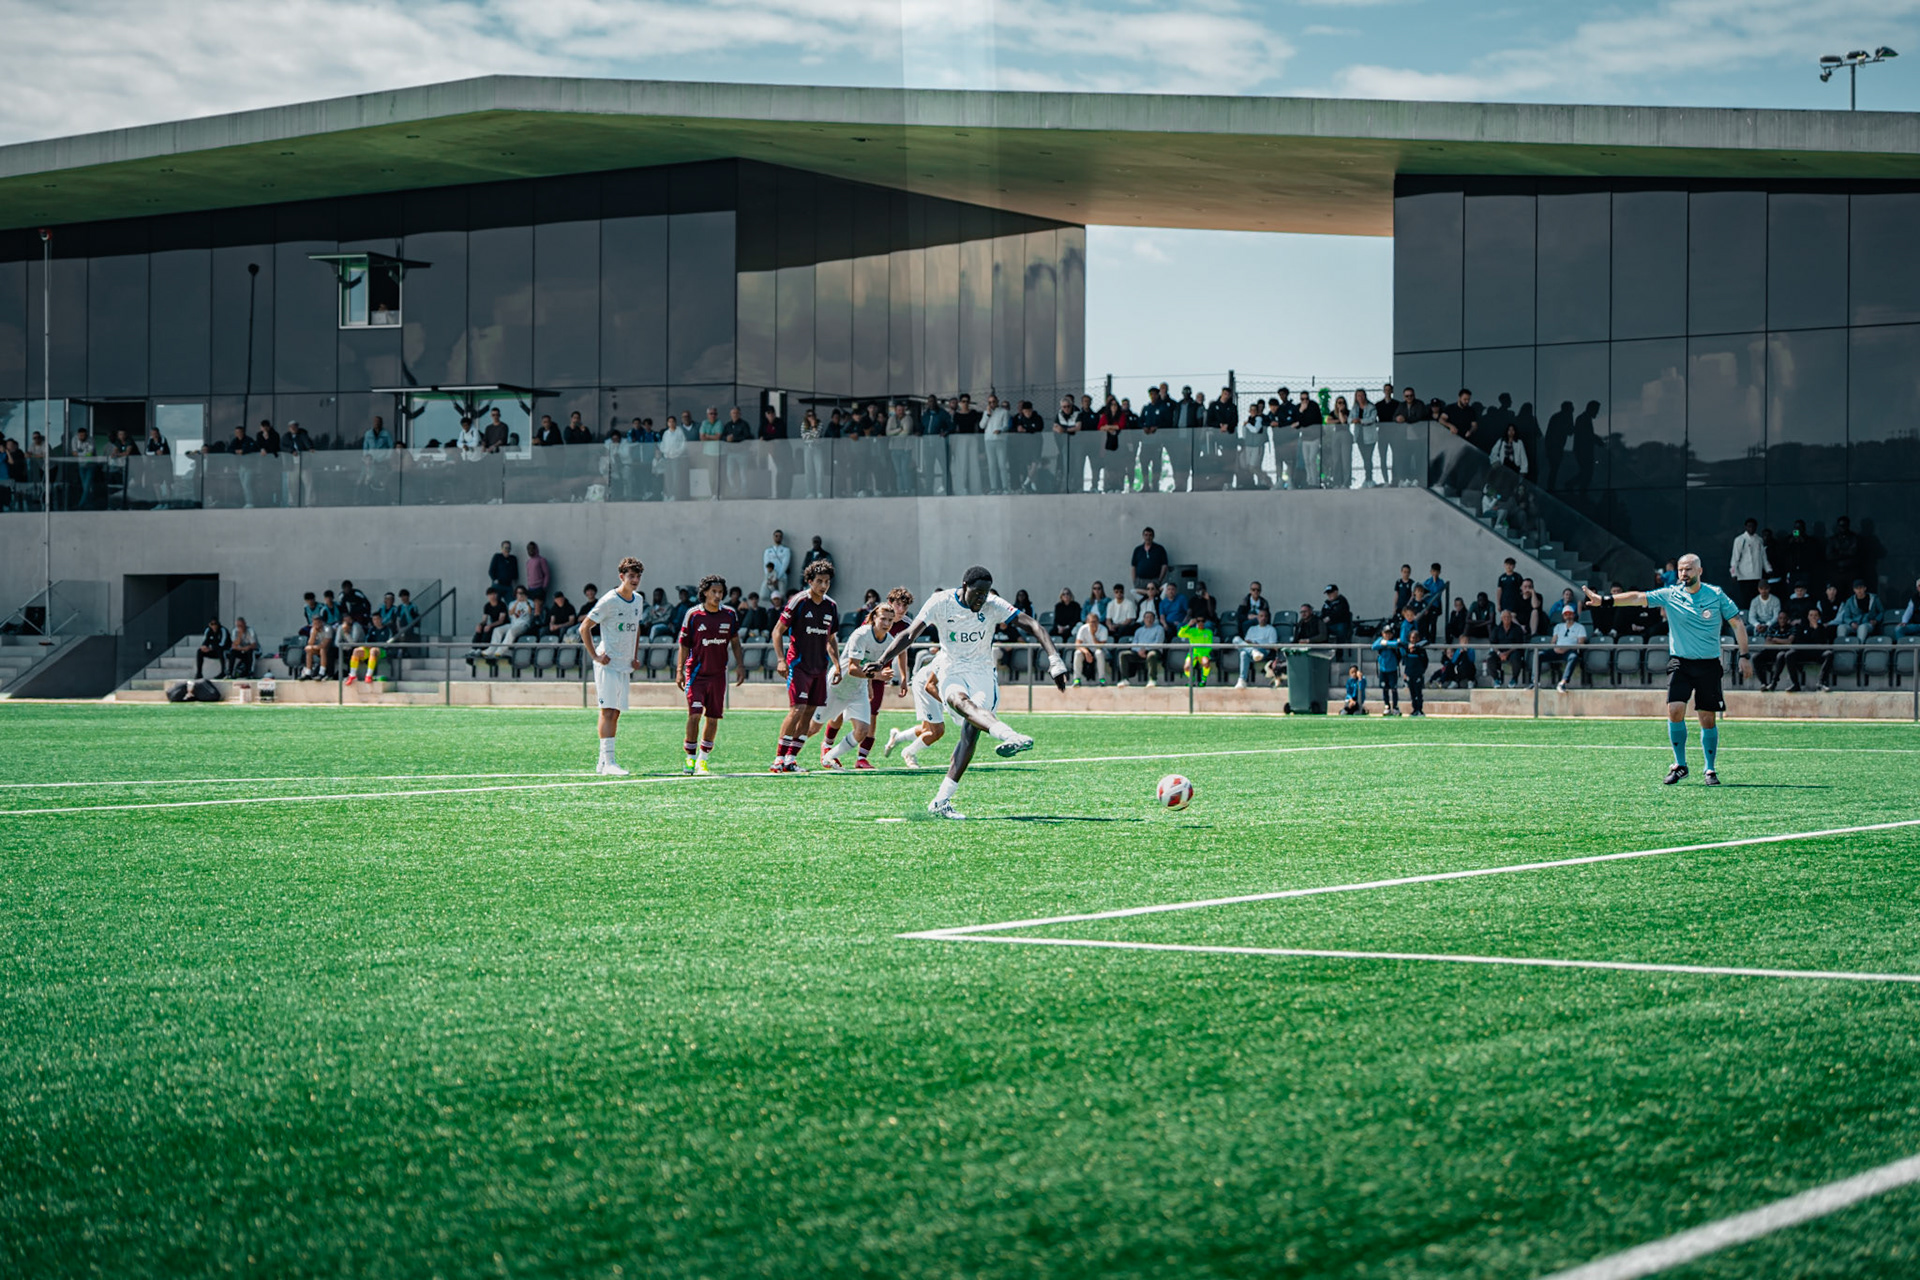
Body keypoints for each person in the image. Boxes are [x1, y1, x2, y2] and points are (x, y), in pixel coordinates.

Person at [869, 565, 1068, 819]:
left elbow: (1031, 624)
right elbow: (909, 634)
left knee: (970, 733)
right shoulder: (940, 602)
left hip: (983, 674)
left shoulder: (993, 604)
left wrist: (1055, 660)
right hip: (952, 669)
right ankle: (1009, 734)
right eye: (977, 593)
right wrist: (884, 659)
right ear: (965, 586)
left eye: (985, 594)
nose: (982, 598)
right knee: (957, 700)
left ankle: (941, 801)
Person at [1584, 551, 1752, 785]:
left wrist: (1744, 655)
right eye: (1681, 569)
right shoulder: (1670, 594)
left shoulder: (1716, 594)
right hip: (1680, 663)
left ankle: (1710, 769)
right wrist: (1605, 601)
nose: (1683, 573)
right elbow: (1637, 597)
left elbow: (1737, 623)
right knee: (1674, 710)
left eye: (1688, 569)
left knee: (1707, 718)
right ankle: (1680, 765)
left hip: (1708, 664)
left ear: (1700, 571)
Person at [769, 559, 841, 773]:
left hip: (820, 667)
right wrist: (781, 660)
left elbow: (832, 638)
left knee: (809, 712)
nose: (823, 585)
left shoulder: (831, 606)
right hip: (798, 665)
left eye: (827, 581)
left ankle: (791, 758)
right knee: (797, 709)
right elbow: (777, 631)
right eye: (819, 581)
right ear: (810, 581)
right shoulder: (798, 601)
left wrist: (837, 665)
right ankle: (778, 758)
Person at [811, 599, 899, 770]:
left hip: (858, 689)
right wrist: (879, 676)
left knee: (862, 730)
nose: (887, 623)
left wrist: (870, 684)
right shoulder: (861, 635)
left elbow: (870, 665)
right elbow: (852, 669)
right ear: (874, 618)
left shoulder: (889, 641)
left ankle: (829, 756)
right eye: (883, 619)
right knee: (813, 728)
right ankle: (786, 756)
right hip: (838, 685)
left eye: (890, 620)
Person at [578, 557, 646, 776]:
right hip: (608, 665)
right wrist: (596, 656)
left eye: (637, 577)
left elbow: (636, 629)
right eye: (631, 576)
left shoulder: (638, 600)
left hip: (624, 665)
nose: (635, 580)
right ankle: (609, 762)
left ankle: (602, 762)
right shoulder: (609, 600)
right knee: (607, 711)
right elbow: (584, 628)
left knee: (615, 712)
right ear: (621, 577)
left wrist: (634, 656)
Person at [676, 574, 747, 776]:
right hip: (697, 674)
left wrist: (740, 665)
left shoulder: (730, 615)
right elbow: (683, 644)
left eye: (720, 592)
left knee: (713, 718)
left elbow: (735, 642)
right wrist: (679, 670)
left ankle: (703, 760)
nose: (718, 596)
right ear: (705, 592)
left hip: (718, 675)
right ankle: (689, 759)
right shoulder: (693, 615)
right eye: (714, 592)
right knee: (695, 714)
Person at [1729, 517, 1769, 610]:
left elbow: (1763, 557)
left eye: (1753, 526)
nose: (1751, 528)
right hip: (1743, 576)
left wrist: (1768, 569)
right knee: (1745, 599)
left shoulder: (1759, 540)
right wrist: (1733, 573)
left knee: (1756, 598)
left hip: (1757, 575)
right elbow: (1735, 558)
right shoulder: (1740, 540)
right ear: (1746, 527)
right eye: (1749, 526)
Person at [1125, 609, 1167, 687]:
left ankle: (1152, 679)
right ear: (1143, 619)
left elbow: (1158, 643)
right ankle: (1124, 679)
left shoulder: (1159, 629)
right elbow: (1134, 643)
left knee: (1151, 655)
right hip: (1139, 651)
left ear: (1154, 619)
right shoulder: (1139, 630)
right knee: (1123, 655)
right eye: (1147, 617)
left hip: (1154, 650)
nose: (1149, 619)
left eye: (1151, 617)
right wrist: (1139, 651)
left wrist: (1146, 649)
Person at [1551, 605, 1586, 692]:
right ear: (1563, 616)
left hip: (1570, 650)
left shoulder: (1580, 627)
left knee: (1573, 657)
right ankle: (1534, 682)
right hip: (1557, 650)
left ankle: (1563, 682)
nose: (1568, 616)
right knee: (1539, 655)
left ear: (1573, 615)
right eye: (1566, 614)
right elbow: (1553, 641)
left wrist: (1566, 648)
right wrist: (1555, 649)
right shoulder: (1558, 626)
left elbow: (1581, 643)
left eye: (1570, 614)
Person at [1071, 610, 1111, 686]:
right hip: (1086, 650)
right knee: (1077, 653)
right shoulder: (1083, 628)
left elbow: (1100, 646)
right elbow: (1077, 644)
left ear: (1098, 622)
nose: (1093, 624)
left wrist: (1093, 635)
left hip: (1099, 650)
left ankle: (1102, 679)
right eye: (1091, 622)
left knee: (1099, 653)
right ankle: (1076, 680)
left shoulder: (1103, 629)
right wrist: (1086, 652)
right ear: (1087, 622)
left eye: (1095, 622)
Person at [1372, 621, 1402, 715]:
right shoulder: (1380, 640)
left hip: (1392, 669)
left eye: (1389, 633)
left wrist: (1387, 643)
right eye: (1386, 633)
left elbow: (1396, 644)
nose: (1387, 635)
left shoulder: (1392, 640)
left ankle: (1395, 707)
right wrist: (1384, 643)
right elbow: (1374, 646)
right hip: (1383, 670)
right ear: (1382, 633)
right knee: (1385, 689)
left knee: (1394, 689)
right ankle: (1387, 706)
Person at [1177, 614, 1216, 686]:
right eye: (1198, 621)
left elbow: (1209, 646)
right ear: (1196, 622)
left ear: (1205, 622)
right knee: (1186, 667)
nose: (1200, 622)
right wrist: (1188, 624)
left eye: (1202, 621)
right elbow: (1180, 634)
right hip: (1193, 653)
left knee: (1206, 663)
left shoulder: (1208, 632)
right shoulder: (1192, 631)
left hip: (1203, 653)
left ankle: (1203, 680)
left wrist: (1201, 655)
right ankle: (1192, 680)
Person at [195, 615, 229, 680]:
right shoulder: (208, 631)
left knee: (220, 650)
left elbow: (223, 644)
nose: (214, 626)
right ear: (209, 625)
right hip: (213, 651)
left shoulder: (223, 630)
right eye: (212, 624)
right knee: (200, 651)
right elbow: (205, 641)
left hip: (223, 651)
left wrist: (212, 648)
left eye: (215, 624)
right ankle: (199, 673)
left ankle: (223, 672)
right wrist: (204, 647)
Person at [764, 530, 793, 597]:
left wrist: (777, 577)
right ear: (773, 537)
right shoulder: (768, 551)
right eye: (776, 536)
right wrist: (769, 577)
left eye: (780, 536)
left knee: (781, 596)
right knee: (765, 595)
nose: (778, 538)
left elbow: (785, 564)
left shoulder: (786, 550)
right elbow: (766, 564)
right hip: (770, 577)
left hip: (781, 577)